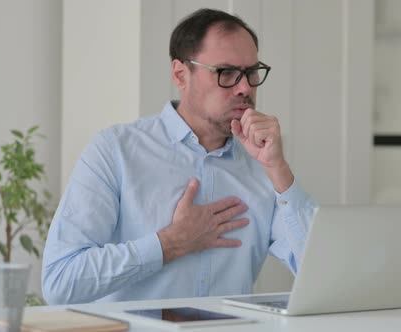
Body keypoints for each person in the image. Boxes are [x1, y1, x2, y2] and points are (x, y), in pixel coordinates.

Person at [42, 8, 317, 305]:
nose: (245, 88)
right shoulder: (114, 151)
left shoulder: (264, 163)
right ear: (180, 74)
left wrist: (278, 170)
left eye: (251, 73)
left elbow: (319, 272)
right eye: (226, 73)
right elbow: (60, 282)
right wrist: (169, 244)